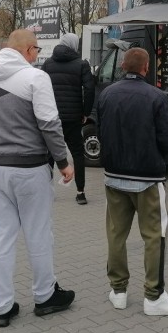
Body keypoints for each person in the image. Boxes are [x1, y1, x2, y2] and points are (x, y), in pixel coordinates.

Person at [0, 29, 76, 328]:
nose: (38, 54)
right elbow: (50, 125)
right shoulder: (35, 78)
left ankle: (2, 306)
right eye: (36, 49)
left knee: (2, 237)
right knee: (38, 234)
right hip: (30, 168)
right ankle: (45, 296)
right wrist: (64, 161)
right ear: (27, 49)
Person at [92, 47, 168, 316]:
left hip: (114, 175)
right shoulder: (157, 96)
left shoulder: (107, 94)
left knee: (115, 235)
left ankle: (119, 290)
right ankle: (154, 296)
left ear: (123, 65)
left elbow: (100, 131)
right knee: (154, 236)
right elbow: (167, 139)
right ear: (146, 68)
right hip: (148, 177)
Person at [42, 32, 95, 205]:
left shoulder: (48, 64)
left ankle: (46, 192)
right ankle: (80, 193)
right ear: (74, 45)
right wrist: (86, 112)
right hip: (73, 117)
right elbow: (89, 89)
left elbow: (39, 87)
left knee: (49, 154)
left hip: (51, 117)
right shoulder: (81, 64)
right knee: (78, 154)